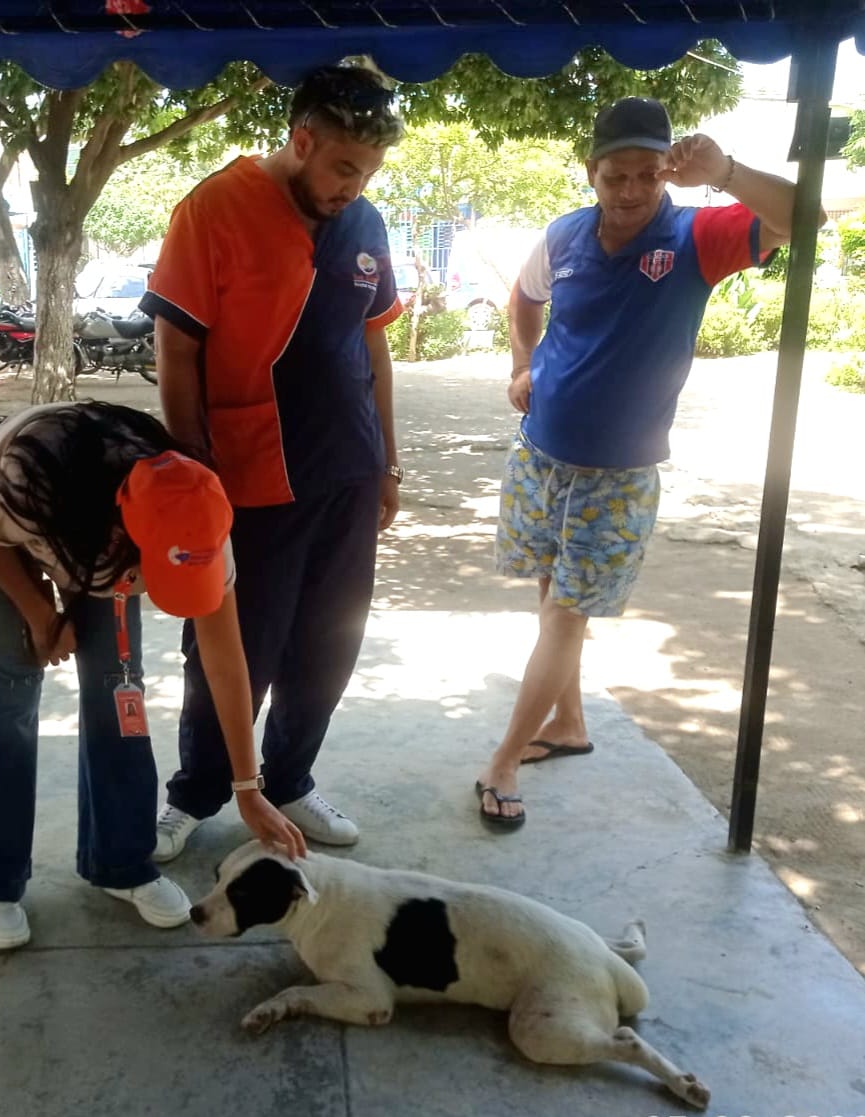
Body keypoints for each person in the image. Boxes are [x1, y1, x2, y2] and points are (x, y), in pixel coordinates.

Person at [476, 97, 815, 830]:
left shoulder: (696, 235)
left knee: (564, 616)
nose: (629, 191)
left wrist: (722, 171)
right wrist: (520, 365)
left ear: (666, 172)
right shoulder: (563, 233)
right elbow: (523, 299)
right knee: (547, 591)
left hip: (618, 474)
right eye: (613, 176)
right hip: (540, 452)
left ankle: (502, 759)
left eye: (644, 175)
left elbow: (806, 217)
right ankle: (566, 723)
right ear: (590, 174)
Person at [138, 65, 405, 860]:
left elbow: (374, 345)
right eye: (343, 168)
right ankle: (195, 790)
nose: (353, 187)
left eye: (369, 172)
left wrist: (387, 462)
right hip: (247, 478)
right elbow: (176, 348)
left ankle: (290, 775)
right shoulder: (214, 208)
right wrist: (190, 470)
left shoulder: (366, 225)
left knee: (328, 641)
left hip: (347, 471)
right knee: (233, 648)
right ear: (301, 140)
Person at [0, 401, 305, 950]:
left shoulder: (197, 518)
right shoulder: (30, 484)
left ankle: (118, 862)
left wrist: (247, 786)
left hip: (94, 531)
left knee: (119, 689)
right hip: (6, 515)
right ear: (127, 539)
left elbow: (225, 662)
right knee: (10, 689)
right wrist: (41, 615)